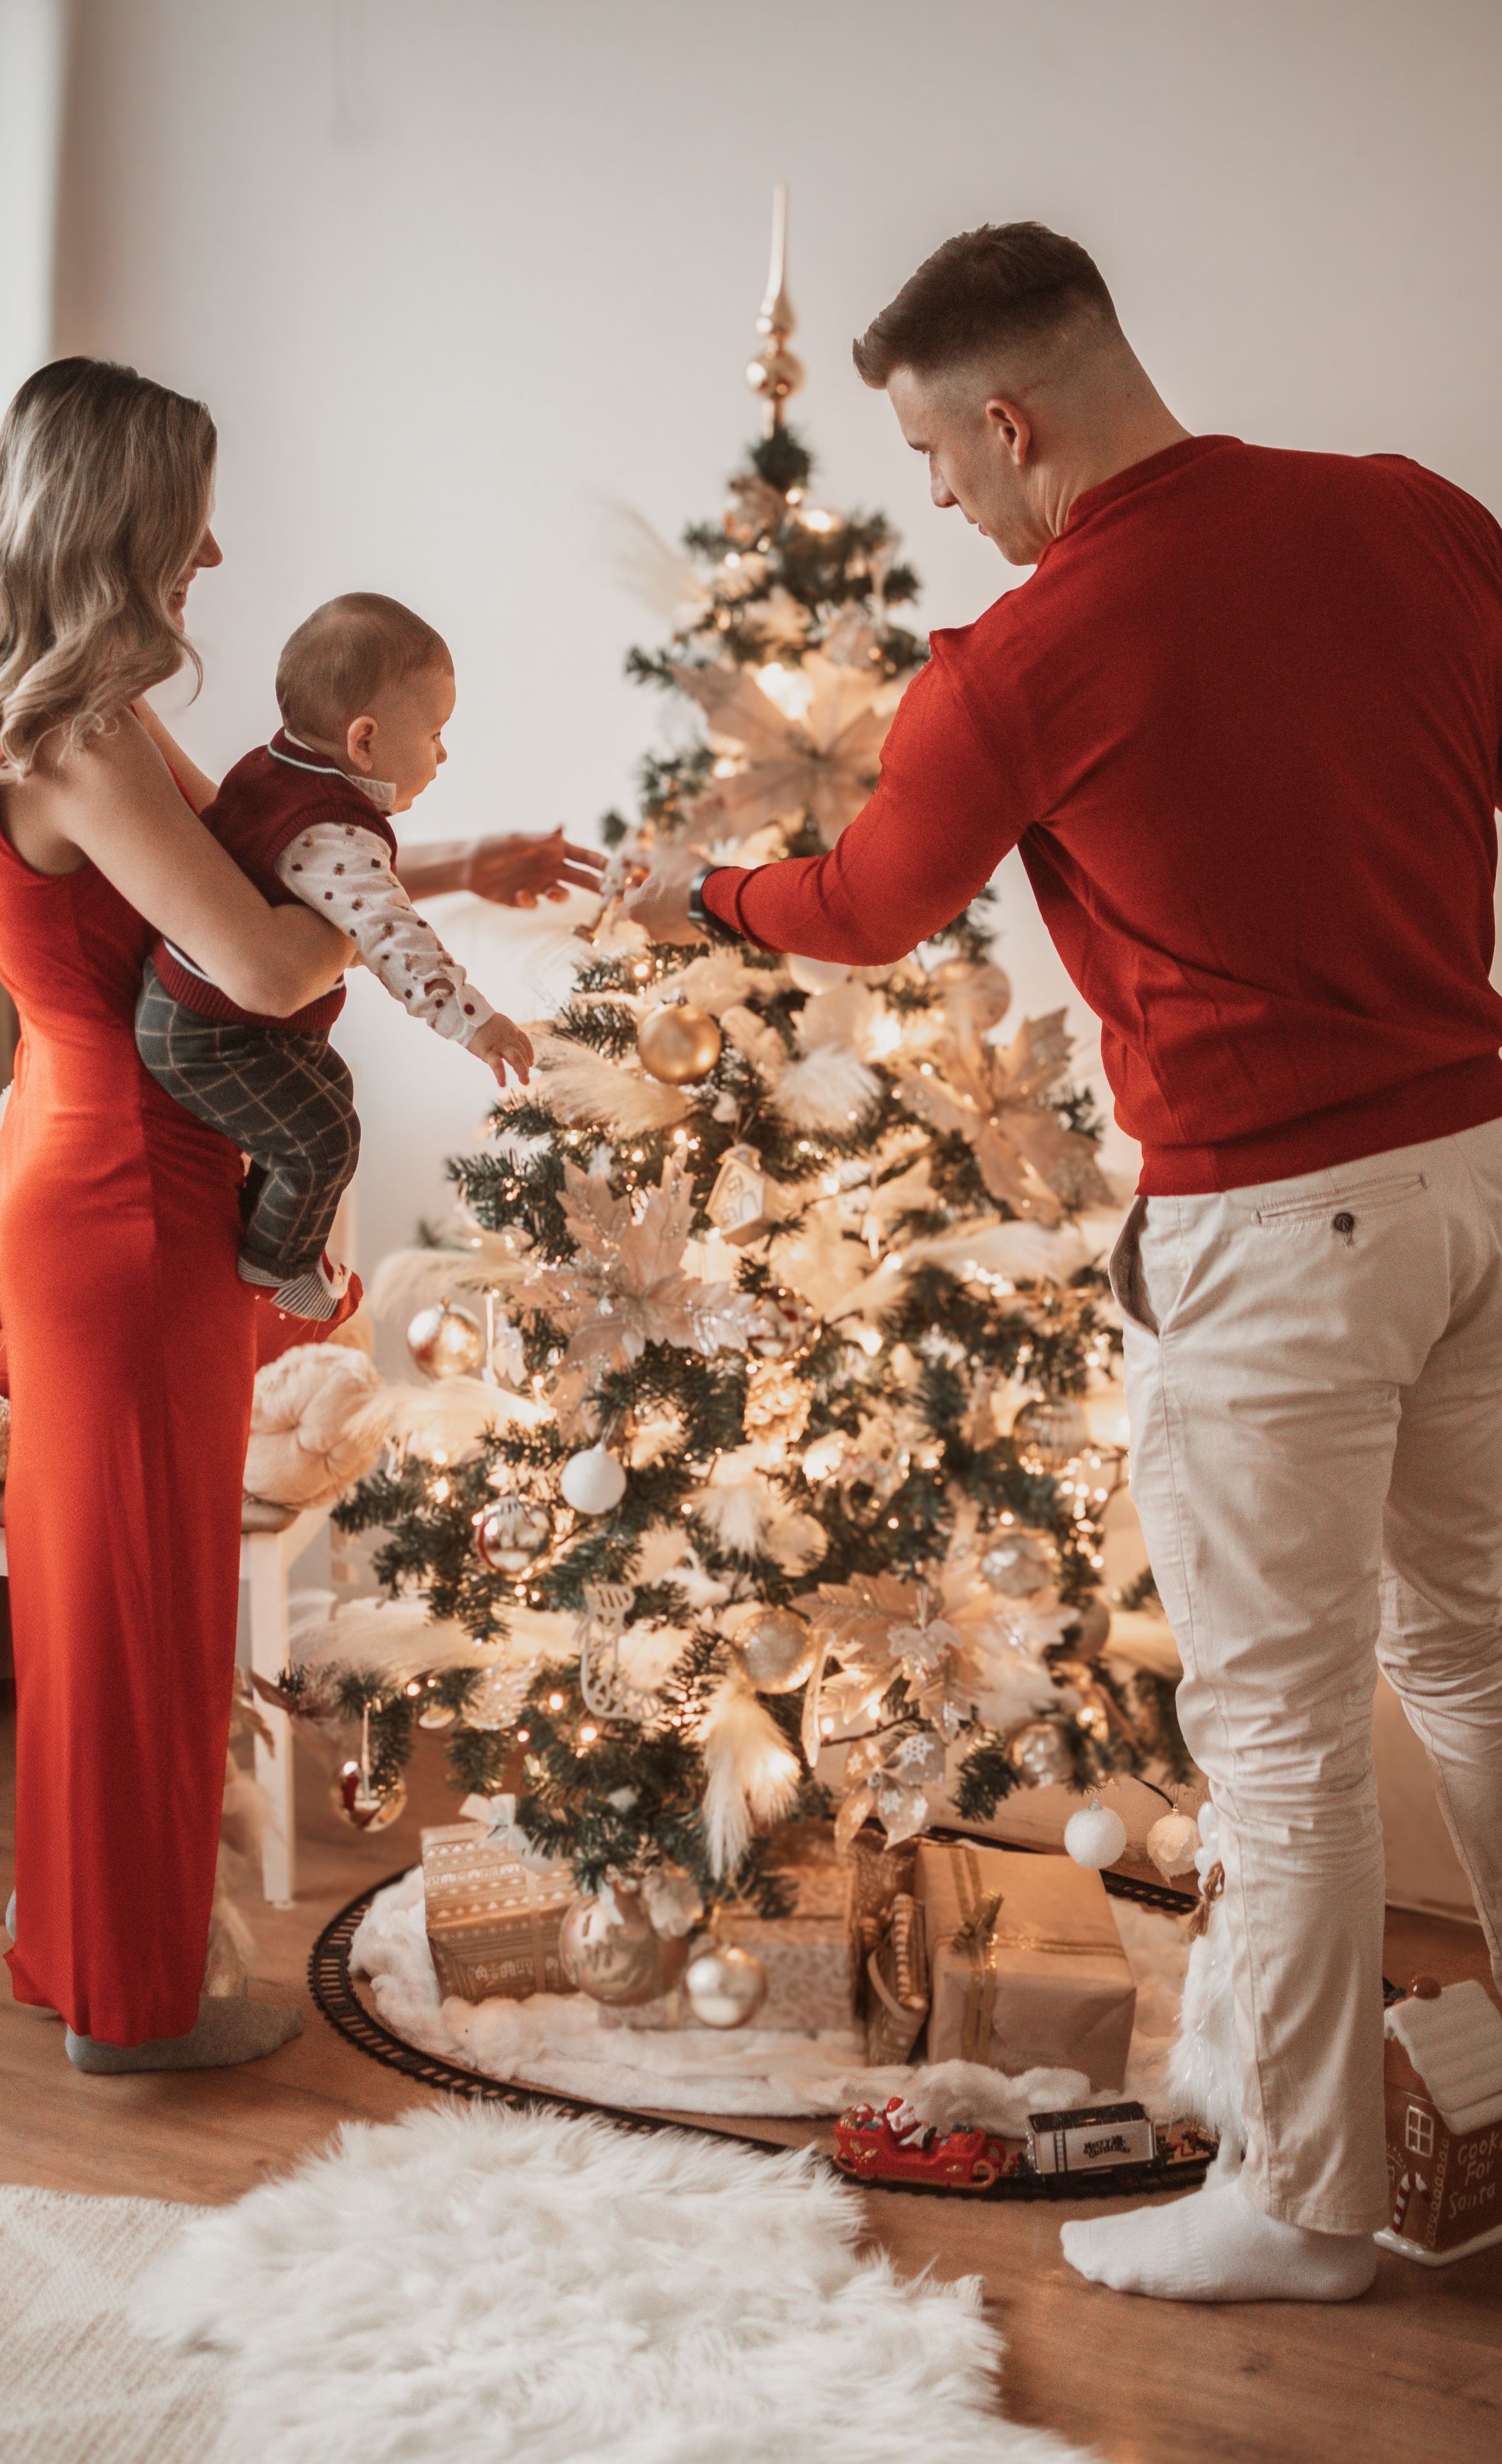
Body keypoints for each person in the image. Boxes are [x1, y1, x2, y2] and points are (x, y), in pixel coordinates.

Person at [627, 222, 1502, 2304]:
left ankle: (1305, 2209)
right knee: (1482, 1662)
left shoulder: (1024, 660)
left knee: (1282, 1737)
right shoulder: (1410, 516)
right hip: (1479, 1170)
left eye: (936, 456)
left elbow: (865, 906)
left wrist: (704, 894)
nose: (941, 500)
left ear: (1008, 422)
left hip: (1276, 1228)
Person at [0, 355, 600, 2073]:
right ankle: (132, 2007)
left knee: (104, 1594)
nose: (210, 554)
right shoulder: (82, 737)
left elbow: (241, 883)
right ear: (119, 519)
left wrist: (447, 867)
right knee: (138, 1606)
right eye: (190, 520)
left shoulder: (66, 709)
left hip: (90, 1158)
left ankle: (88, 1965)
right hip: (129, 1197)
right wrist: (393, 922)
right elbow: (272, 956)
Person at [135, 592, 534, 1322]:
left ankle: (262, 1224)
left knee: (329, 1084)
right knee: (325, 1137)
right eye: (436, 734)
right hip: (207, 1031)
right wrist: (477, 1024)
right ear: (365, 742)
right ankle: (276, 1262)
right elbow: (393, 936)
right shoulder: (330, 832)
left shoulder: (276, 766)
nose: (443, 754)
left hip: (192, 1005)